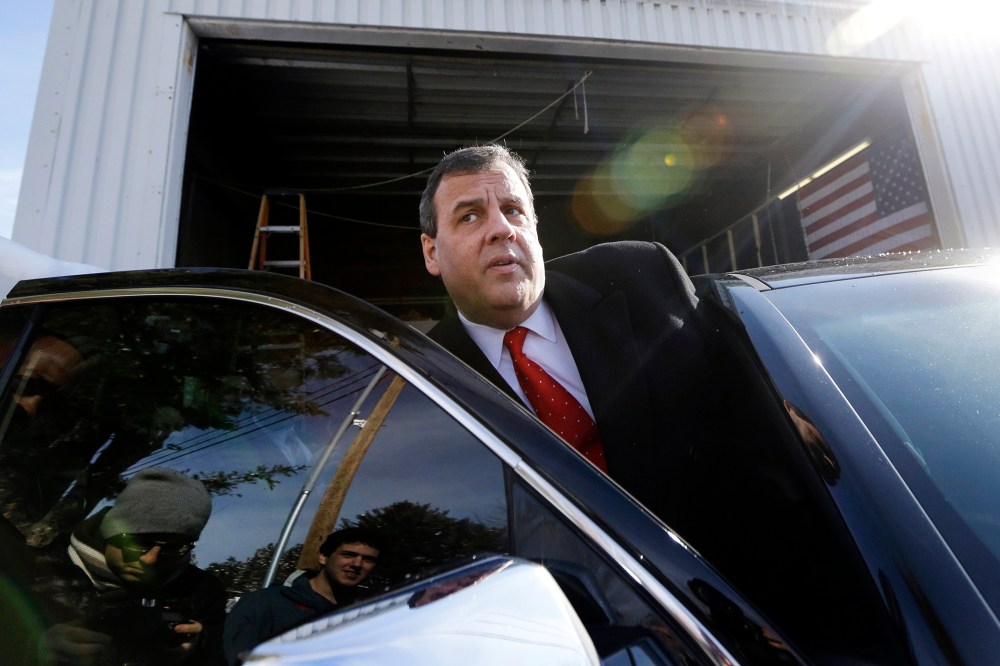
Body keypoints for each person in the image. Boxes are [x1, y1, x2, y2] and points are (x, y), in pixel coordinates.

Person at [419, 144, 717, 528]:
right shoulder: (420, 385)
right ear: (431, 253)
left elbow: (744, 412)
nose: (501, 229)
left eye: (513, 210)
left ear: (534, 229)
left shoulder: (642, 279)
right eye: (470, 216)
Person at [32, 468, 226, 665]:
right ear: (109, 532)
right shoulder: (41, 571)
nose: (151, 559)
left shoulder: (203, 593)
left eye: (174, 547)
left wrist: (206, 644)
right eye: (139, 543)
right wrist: (32, 648)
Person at [223, 527, 383, 666]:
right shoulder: (264, 603)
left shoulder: (371, 617)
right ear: (323, 557)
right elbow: (231, 657)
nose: (357, 564)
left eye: (368, 559)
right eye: (348, 555)